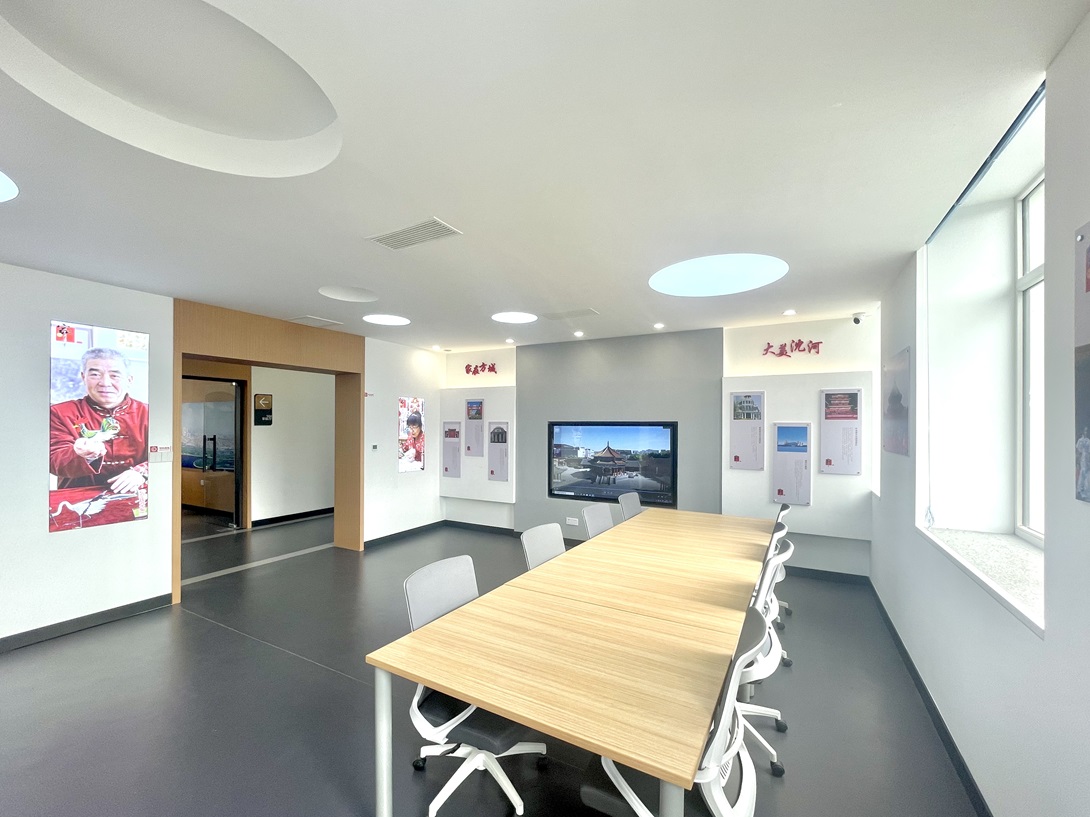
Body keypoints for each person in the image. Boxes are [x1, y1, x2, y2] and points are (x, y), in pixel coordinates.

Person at [49, 348, 149, 493]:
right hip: (79, 498)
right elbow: (54, 462)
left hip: (137, 496)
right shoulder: (60, 413)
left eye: (115, 375)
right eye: (95, 374)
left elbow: (167, 455)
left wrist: (142, 472)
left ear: (129, 380)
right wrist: (80, 453)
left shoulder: (149, 413)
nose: (105, 383)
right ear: (83, 377)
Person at [1077, 427, 1090, 500]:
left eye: (1087, 431)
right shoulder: (1080, 440)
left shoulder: (1088, 441)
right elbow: (1078, 451)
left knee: (1087, 474)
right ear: (1083, 431)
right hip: (1082, 458)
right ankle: (1080, 489)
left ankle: (1086, 489)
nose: (1086, 432)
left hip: (1088, 458)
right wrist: (1078, 461)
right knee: (1082, 473)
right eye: (1085, 431)